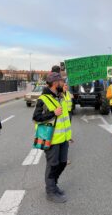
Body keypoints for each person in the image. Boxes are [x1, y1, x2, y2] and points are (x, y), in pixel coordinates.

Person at [33, 72, 71, 203]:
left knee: (63, 163)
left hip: (63, 138)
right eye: (61, 81)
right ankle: (50, 191)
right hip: (52, 139)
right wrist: (52, 113)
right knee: (52, 165)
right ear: (55, 83)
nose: (63, 83)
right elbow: (36, 118)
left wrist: (68, 135)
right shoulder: (43, 99)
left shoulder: (59, 96)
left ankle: (53, 185)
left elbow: (65, 118)